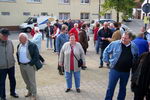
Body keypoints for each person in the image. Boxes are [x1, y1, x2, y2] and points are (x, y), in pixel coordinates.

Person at [103, 32, 138, 100]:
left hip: (126, 72)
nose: (123, 39)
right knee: (111, 88)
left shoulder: (134, 47)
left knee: (123, 89)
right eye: (122, 37)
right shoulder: (115, 44)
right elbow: (106, 51)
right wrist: (107, 61)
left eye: (125, 38)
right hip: (114, 70)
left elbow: (136, 58)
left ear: (130, 39)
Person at [16, 33, 42, 100]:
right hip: (22, 66)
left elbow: (36, 56)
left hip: (29, 66)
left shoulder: (32, 45)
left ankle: (34, 94)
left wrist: (31, 63)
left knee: (32, 81)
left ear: (25, 38)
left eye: (20, 39)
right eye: (19, 38)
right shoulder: (19, 45)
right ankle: (29, 91)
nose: (19, 40)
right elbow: (17, 54)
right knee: (26, 80)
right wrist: (19, 62)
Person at [0, 28, 19, 100]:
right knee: (1, 82)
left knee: (12, 80)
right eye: (4, 36)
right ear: (0, 34)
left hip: (11, 65)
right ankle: (2, 96)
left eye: (7, 36)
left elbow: (12, 52)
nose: (6, 37)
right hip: (1, 67)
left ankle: (13, 92)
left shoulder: (10, 42)